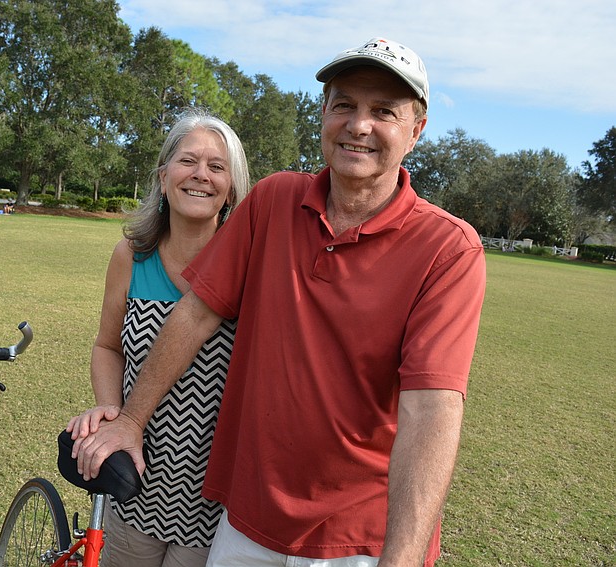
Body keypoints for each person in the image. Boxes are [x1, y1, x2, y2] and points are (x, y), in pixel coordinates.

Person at [71, 38, 487, 567]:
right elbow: (195, 314)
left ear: (416, 130)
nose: (359, 125)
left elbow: (431, 410)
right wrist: (130, 420)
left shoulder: (448, 248)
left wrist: (401, 558)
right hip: (247, 520)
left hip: (358, 538)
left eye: (384, 111)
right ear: (323, 114)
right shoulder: (274, 201)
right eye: (344, 105)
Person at [66, 109, 250, 567]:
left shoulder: (249, 267)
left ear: (232, 188)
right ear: (163, 177)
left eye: (217, 166)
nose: (201, 175)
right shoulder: (132, 256)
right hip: (137, 480)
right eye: (188, 161)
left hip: (214, 498)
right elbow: (107, 346)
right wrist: (111, 412)